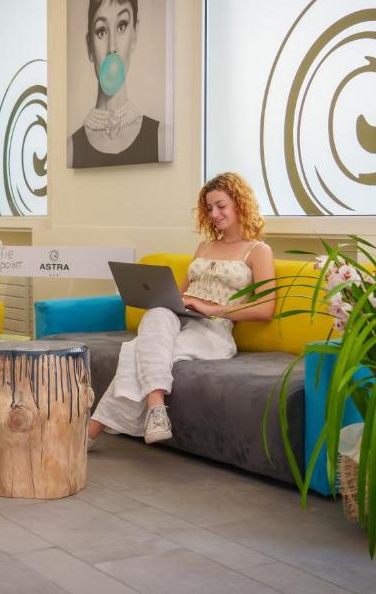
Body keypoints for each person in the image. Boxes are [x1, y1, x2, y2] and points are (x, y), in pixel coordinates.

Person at [87, 172, 276, 448]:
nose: (215, 214)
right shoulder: (205, 246)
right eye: (209, 208)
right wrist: (170, 298)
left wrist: (213, 309)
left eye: (221, 206)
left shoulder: (258, 251)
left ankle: (90, 433)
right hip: (180, 318)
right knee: (157, 313)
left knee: (139, 351)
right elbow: (181, 293)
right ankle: (156, 410)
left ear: (239, 203)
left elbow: (265, 308)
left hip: (214, 329)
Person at [69, 0, 160, 169]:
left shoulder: (162, 138)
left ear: (135, 33)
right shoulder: (70, 148)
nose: (112, 47)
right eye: (101, 31)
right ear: (90, 45)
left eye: (121, 26)